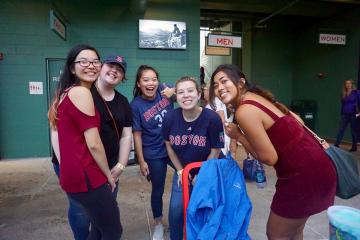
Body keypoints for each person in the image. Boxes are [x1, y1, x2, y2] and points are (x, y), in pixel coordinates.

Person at [209, 64, 336, 240]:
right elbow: (297, 120)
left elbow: (269, 157)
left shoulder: (244, 110)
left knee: (276, 233)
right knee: (294, 231)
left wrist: (238, 135)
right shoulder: (258, 97)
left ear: (240, 83)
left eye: (224, 81)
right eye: (215, 85)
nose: (219, 88)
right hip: (320, 167)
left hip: (302, 177)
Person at [48, 44, 122, 240]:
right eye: (83, 61)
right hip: (87, 175)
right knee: (113, 231)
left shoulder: (65, 93)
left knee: (98, 228)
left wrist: (65, 166)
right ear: (72, 68)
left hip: (75, 174)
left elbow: (55, 132)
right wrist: (108, 175)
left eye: (95, 61)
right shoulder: (81, 93)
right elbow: (94, 143)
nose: (90, 65)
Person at [162, 76, 224, 240]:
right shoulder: (170, 118)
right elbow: (168, 145)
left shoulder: (212, 118)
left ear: (198, 94)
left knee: (206, 210)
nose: (186, 95)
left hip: (208, 169)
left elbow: (216, 149)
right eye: (181, 92)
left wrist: (202, 174)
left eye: (190, 91)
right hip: (182, 169)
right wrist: (181, 171)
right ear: (176, 96)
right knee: (176, 210)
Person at [130, 65, 175, 240]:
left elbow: (193, 92)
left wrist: (175, 92)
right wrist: (141, 160)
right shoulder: (136, 105)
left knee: (191, 176)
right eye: (146, 80)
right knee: (158, 189)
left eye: (154, 79)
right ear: (139, 83)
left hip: (174, 147)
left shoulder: (165, 90)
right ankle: (158, 223)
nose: (151, 83)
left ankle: (186, 217)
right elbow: (137, 134)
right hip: (153, 153)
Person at [203, 81, 233, 156]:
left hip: (217, 137)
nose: (204, 91)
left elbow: (221, 119)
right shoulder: (211, 102)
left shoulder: (216, 101)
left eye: (205, 89)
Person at [334, 79, 359, 151]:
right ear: (345, 85)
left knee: (353, 131)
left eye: (349, 83)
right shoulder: (343, 93)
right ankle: (336, 144)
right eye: (346, 83)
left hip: (353, 114)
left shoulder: (356, 92)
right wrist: (342, 113)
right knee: (341, 129)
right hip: (345, 114)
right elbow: (343, 104)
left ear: (352, 84)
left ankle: (354, 147)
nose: (348, 85)